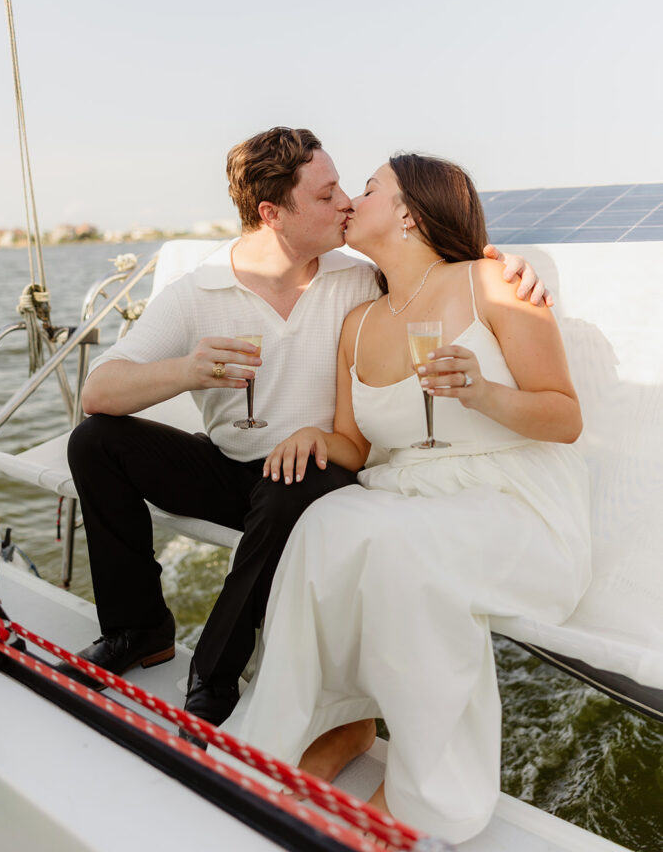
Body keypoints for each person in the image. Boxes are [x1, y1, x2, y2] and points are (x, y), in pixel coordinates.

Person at [62, 128, 548, 735]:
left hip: (321, 472)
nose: (345, 201)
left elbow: (431, 260)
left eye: (347, 187)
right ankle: (139, 629)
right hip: (232, 464)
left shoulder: (357, 276)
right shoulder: (198, 294)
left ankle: (212, 682)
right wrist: (187, 370)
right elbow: (98, 392)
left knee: (292, 487)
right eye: (326, 194)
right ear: (273, 213)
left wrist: (500, 260)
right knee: (94, 442)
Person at [224, 154, 591, 844]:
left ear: (408, 212)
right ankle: (337, 728)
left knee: (400, 549)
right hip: (412, 492)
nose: (350, 200)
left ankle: (426, 791)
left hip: (512, 501)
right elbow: (353, 448)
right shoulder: (359, 321)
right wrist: (311, 435)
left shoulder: (493, 283)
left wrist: (480, 390)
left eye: (366, 189)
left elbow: (564, 418)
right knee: (324, 520)